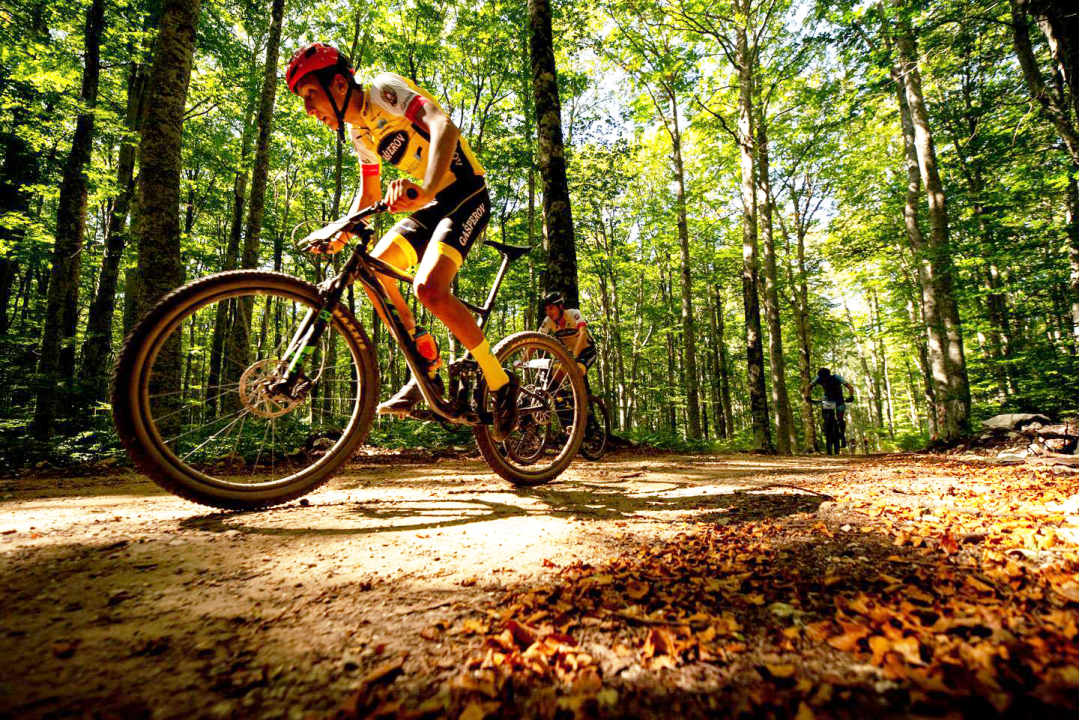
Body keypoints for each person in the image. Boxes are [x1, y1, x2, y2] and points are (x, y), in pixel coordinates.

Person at [284, 42, 518, 439]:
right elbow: (369, 197)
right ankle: (425, 361)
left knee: (430, 289)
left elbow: (443, 125)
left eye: (310, 95)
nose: (308, 109)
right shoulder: (360, 133)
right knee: (375, 271)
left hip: (464, 193)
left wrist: (426, 189)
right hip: (428, 205)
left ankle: (500, 382)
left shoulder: (382, 90)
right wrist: (336, 233)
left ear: (339, 84)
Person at [537, 291, 596, 384]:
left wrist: (574, 357)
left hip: (586, 352)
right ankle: (562, 398)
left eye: (551, 308)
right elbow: (536, 339)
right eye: (546, 309)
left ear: (560, 307)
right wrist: (523, 360)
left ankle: (585, 396)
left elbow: (583, 334)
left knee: (576, 373)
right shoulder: (548, 321)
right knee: (555, 376)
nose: (548, 313)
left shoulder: (574, 314)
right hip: (569, 353)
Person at [806, 367, 855, 447]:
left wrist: (851, 396)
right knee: (826, 414)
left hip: (839, 399)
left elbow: (849, 386)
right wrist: (807, 397)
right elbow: (808, 387)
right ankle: (826, 424)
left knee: (840, 418)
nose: (824, 379)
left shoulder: (837, 377)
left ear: (829, 375)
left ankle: (842, 436)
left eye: (826, 377)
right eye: (822, 378)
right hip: (828, 398)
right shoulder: (818, 378)